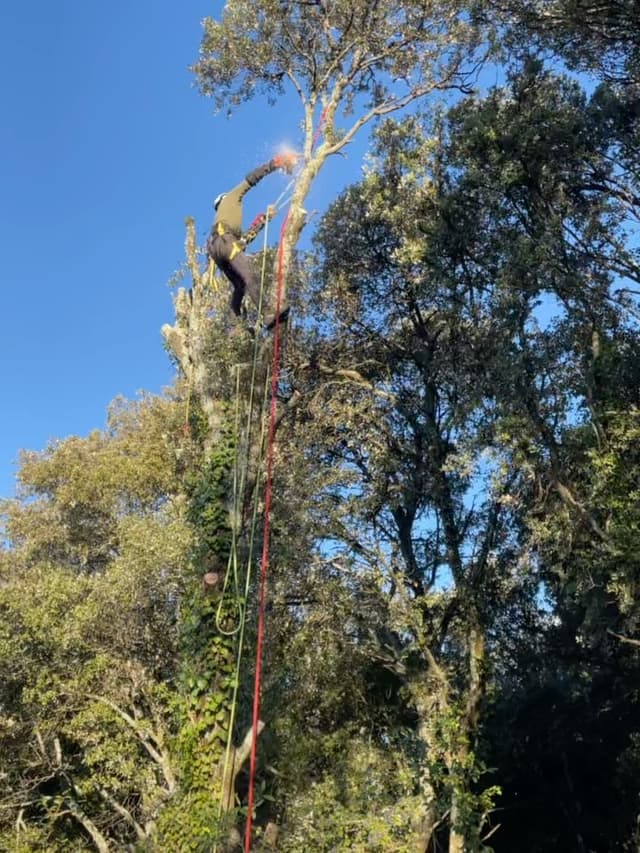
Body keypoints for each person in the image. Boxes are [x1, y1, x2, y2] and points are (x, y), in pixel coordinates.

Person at [206, 152, 298, 330]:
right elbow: (250, 180)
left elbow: (243, 241)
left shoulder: (224, 221)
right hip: (225, 243)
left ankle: (235, 324)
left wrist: (264, 220)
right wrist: (275, 163)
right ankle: (267, 314)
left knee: (239, 285)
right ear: (223, 199)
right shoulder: (231, 198)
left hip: (218, 250)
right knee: (250, 276)